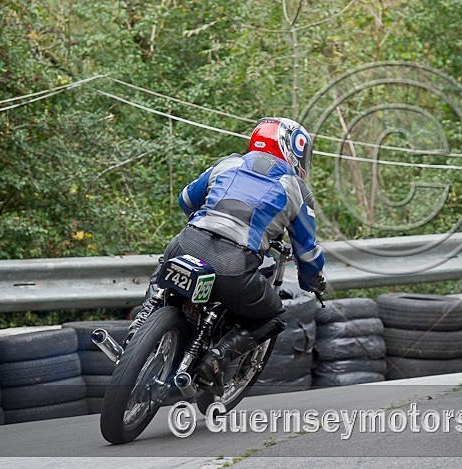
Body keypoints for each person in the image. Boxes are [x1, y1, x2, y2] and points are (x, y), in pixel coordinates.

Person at [129, 117, 326, 393]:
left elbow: (186, 199)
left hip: (186, 243)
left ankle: (144, 317)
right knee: (274, 315)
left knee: (166, 265)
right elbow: (307, 252)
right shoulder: (297, 189)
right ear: (293, 149)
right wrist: (312, 282)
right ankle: (215, 358)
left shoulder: (228, 163)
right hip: (233, 265)